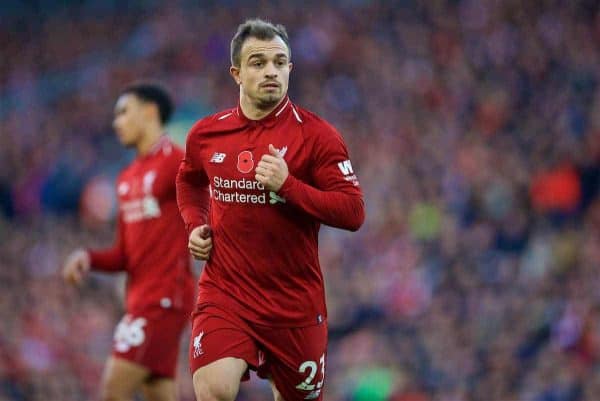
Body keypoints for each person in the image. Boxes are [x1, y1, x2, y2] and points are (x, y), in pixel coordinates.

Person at [176, 19, 365, 401]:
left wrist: (288, 186)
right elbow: (189, 180)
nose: (271, 71)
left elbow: (353, 212)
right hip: (226, 294)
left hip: (294, 307)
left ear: (291, 69)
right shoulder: (206, 134)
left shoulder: (317, 137)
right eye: (258, 62)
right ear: (237, 73)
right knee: (214, 391)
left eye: (280, 62)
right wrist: (196, 224)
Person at [62, 83, 199, 401]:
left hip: (164, 299)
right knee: (158, 394)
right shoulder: (125, 179)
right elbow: (124, 254)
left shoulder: (176, 163)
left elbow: (209, 206)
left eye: (124, 112)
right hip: (139, 300)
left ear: (150, 112)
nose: (116, 122)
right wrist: (89, 257)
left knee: (112, 391)